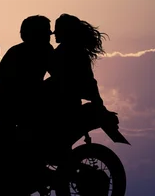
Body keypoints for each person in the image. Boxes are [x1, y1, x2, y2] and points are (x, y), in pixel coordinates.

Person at [0, 15, 54, 128]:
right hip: (27, 103)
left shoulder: (19, 50)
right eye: (46, 31)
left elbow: (1, 82)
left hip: (15, 104)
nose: (50, 34)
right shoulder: (46, 50)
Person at [42, 13, 108, 148]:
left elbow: (85, 80)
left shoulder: (67, 51)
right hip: (67, 100)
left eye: (58, 30)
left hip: (62, 102)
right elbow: (90, 80)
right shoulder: (74, 51)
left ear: (66, 31)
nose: (54, 33)